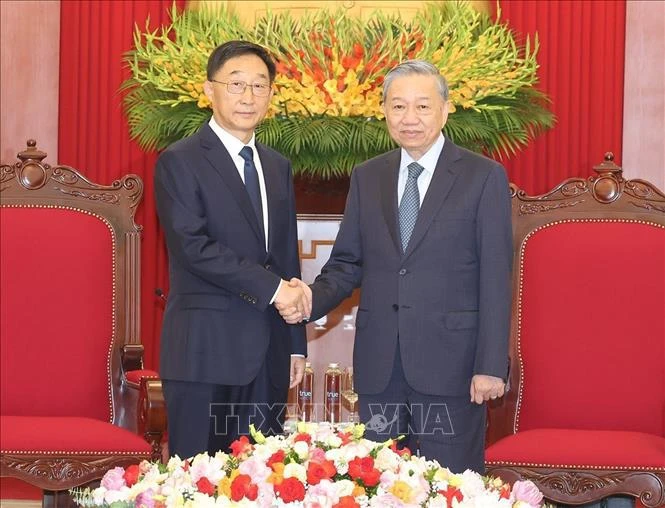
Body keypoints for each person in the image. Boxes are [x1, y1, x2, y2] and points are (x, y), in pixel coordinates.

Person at [280, 60, 512, 473]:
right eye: (398, 106)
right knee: (381, 486)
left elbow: (496, 277)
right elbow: (348, 262)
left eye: (422, 107)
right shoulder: (368, 176)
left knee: (449, 488)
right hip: (380, 366)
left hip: (453, 368)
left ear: (445, 109)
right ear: (383, 110)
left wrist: (490, 365)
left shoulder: (483, 177)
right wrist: (309, 299)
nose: (410, 119)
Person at [154, 40, 309, 459]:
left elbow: (285, 258)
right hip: (205, 350)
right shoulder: (179, 161)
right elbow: (193, 247)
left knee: (264, 478)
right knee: (198, 482)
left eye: (260, 86)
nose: (248, 96)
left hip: (268, 353)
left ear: (272, 95)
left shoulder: (277, 165)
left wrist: (295, 341)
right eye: (236, 83)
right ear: (209, 90)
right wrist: (277, 290)